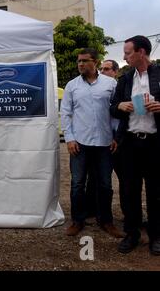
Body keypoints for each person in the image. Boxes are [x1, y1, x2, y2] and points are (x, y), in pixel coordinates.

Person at [61, 48, 122, 238]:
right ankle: (77, 221)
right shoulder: (72, 86)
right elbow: (66, 113)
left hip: (104, 143)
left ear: (95, 62)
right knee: (77, 184)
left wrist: (115, 136)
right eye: (78, 61)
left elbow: (115, 114)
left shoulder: (111, 84)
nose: (80, 64)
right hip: (80, 143)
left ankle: (106, 221)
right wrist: (69, 138)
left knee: (105, 184)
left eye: (84, 61)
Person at [110, 35, 160, 255]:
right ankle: (132, 234)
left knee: (156, 192)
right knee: (129, 191)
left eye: (128, 52)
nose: (124, 56)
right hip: (129, 143)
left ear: (141, 52)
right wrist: (121, 104)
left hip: (155, 144)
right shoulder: (125, 79)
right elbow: (112, 108)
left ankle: (156, 237)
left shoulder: (159, 74)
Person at [85, 60, 121, 219]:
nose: (103, 71)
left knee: (121, 179)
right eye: (102, 69)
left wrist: (117, 136)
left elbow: (118, 116)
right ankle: (92, 209)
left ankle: (127, 214)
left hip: (117, 140)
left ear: (115, 72)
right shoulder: (96, 87)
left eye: (107, 69)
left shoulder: (118, 87)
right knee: (94, 177)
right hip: (98, 140)